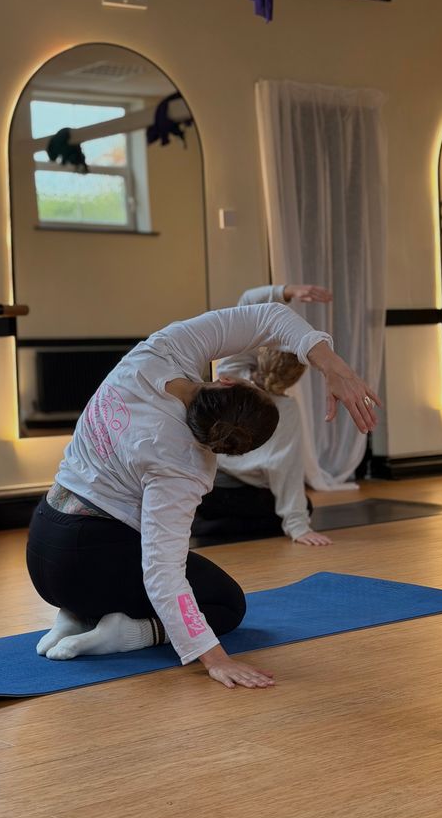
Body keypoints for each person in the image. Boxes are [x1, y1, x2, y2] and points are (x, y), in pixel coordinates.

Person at [26, 302, 379, 690]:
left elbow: (268, 315)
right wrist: (213, 658)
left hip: (43, 542)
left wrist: (333, 365)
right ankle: (121, 632)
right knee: (227, 603)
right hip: (85, 563)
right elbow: (162, 571)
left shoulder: (158, 352)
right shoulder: (184, 465)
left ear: (228, 381)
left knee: (156, 563)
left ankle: (79, 614)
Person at [194, 282, 334, 547]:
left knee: (226, 504)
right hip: (236, 496)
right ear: (297, 374)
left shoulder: (228, 376)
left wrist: (287, 291)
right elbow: (286, 472)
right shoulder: (286, 409)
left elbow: (246, 307)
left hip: (204, 492)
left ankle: (204, 520)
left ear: (262, 352)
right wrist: (298, 526)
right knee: (305, 505)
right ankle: (219, 524)